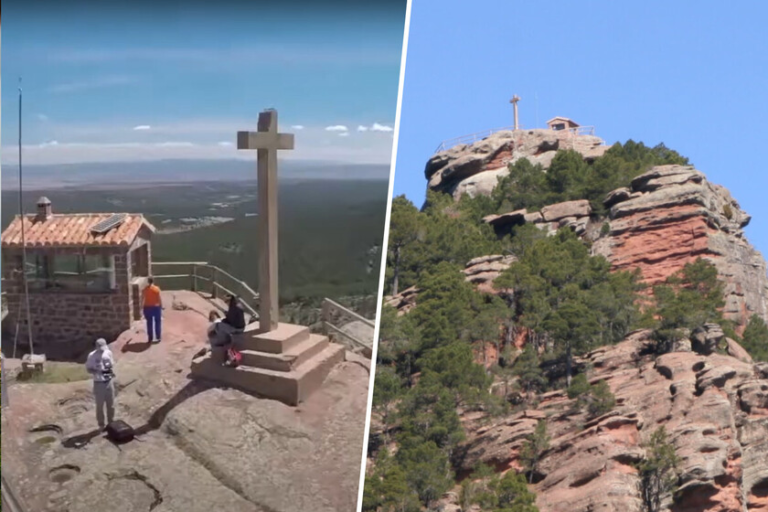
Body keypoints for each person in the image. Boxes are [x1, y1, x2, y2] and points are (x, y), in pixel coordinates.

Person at [85, 338, 116, 430]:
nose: (103, 350)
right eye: (101, 348)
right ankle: (101, 425)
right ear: (97, 347)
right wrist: (97, 371)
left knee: (111, 404)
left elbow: (112, 364)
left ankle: (111, 422)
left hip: (108, 381)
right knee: (100, 406)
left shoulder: (108, 353)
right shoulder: (91, 356)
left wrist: (108, 370)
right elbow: (88, 369)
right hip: (98, 383)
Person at [142, 277, 163, 343]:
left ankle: (150, 338)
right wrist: (161, 305)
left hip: (147, 307)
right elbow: (159, 298)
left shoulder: (145, 289)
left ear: (148, 282)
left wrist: (142, 307)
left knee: (149, 323)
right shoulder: (156, 289)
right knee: (157, 322)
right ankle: (158, 337)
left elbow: (143, 299)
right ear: (153, 281)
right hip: (156, 307)